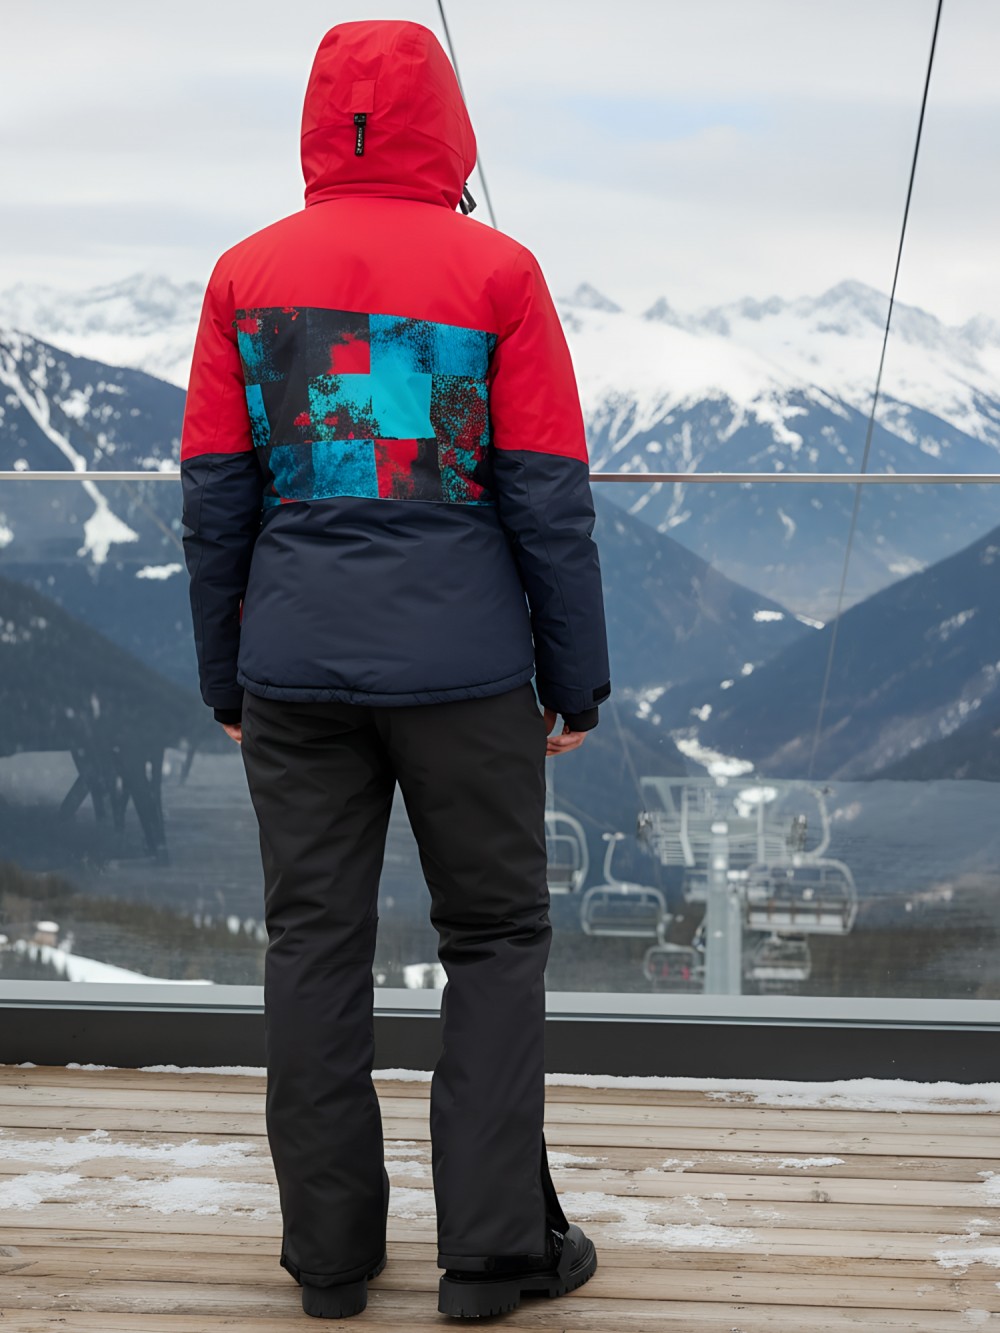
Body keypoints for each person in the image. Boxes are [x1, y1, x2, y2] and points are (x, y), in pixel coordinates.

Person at [180, 17, 610, 1322]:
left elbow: (215, 499)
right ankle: (491, 1258)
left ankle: (328, 1262)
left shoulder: (245, 275)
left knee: (313, 945)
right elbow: (547, 496)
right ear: (448, 125)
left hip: (295, 669)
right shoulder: (500, 273)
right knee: (496, 938)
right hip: (466, 675)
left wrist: (227, 678)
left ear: (321, 123)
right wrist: (574, 677)